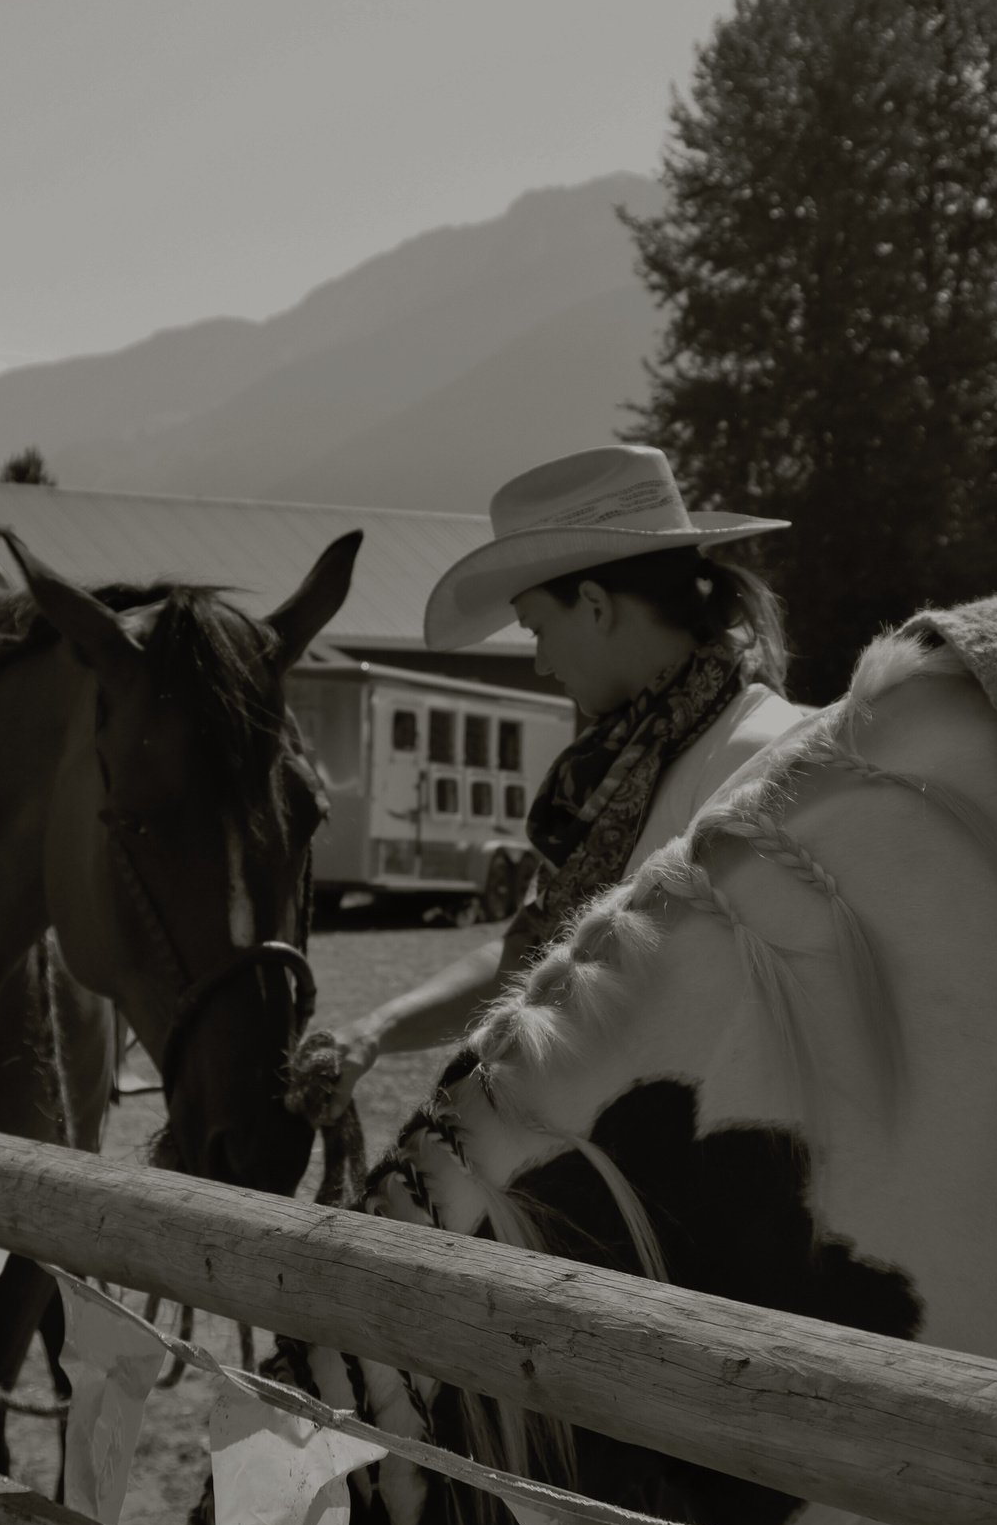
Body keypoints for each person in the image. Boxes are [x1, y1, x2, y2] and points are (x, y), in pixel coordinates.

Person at [318, 444, 806, 1118]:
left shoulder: (756, 758)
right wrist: (377, 1030)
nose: (542, 662)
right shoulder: (627, 765)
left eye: (539, 630)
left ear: (596, 605)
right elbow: (538, 945)